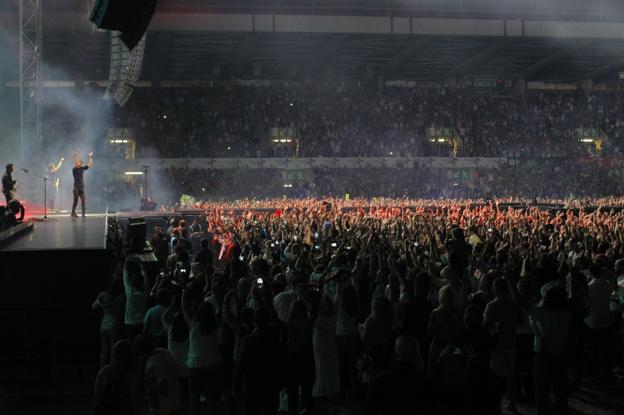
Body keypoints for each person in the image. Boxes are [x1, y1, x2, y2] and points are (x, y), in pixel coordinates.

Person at [529, 284, 572, 415]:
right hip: (559, 356)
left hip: (543, 357)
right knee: (561, 394)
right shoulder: (566, 312)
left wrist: (509, 280)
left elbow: (521, 302)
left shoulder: (542, 313)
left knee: (542, 395)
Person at [366, 335, 432, 415]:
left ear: (396, 354)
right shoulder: (424, 383)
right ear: (417, 354)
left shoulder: (381, 381)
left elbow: (370, 410)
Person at [181, 293, 222, 415]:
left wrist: (185, 291)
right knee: (212, 398)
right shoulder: (216, 327)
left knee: (194, 397)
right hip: (213, 364)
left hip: (195, 366)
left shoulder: (194, 326)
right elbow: (220, 310)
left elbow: (184, 308)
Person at [92, 278, 126, 367]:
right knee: (113, 352)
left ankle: (102, 370)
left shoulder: (103, 296)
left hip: (103, 327)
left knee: (104, 351)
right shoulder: (121, 297)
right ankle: (111, 372)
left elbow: (94, 306)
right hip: (115, 327)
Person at [71, 151, 93, 217]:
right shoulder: (74, 169)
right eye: (80, 162)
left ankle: (83, 214)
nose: (81, 163)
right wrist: (76, 157)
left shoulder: (82, 169)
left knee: (83, 200)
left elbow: (90, 164)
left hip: (81, 188)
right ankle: (73, 213)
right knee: (76, 200)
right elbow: (77, 162)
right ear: (77, 164)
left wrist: (90, 157)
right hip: (76, 188)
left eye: (81, 163)